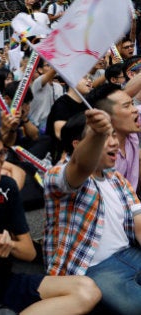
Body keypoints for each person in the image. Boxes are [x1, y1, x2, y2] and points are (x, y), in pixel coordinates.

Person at [0, 116, 101, 315]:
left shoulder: (6, 187)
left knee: (87, 290)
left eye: (1, 155)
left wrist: (7, 245)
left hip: (4, 282)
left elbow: (28, 252)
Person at [44, 102, 141, 314]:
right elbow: (80, 165)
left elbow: (138, 220)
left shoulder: (117, 179)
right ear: (78, 145)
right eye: (105, 137)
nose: (114, 142)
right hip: (90, 268)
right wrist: (97, 134)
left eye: (114, 135)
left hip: (129, 253)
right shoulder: (57, 176)